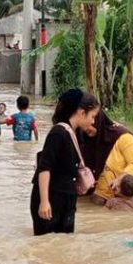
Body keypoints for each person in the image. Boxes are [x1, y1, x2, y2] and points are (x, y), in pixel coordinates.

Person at [30, 89, 100, 236]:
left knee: (63, 246)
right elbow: (44, 168)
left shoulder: (73, 133)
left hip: (67, 200)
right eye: (93, 116)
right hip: (51, 200)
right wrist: (44, 201)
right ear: (81, 113)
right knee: (45, 248)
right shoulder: (58, 133)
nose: (93, 121)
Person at [82, 110, 133, 206]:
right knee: (95, 203)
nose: (85, 128)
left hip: (130, 188)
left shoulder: (125, 137)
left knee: (126, 209)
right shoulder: (90, 139)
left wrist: (119, 180)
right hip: (108, 185)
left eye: (90, 120)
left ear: (98, 122)